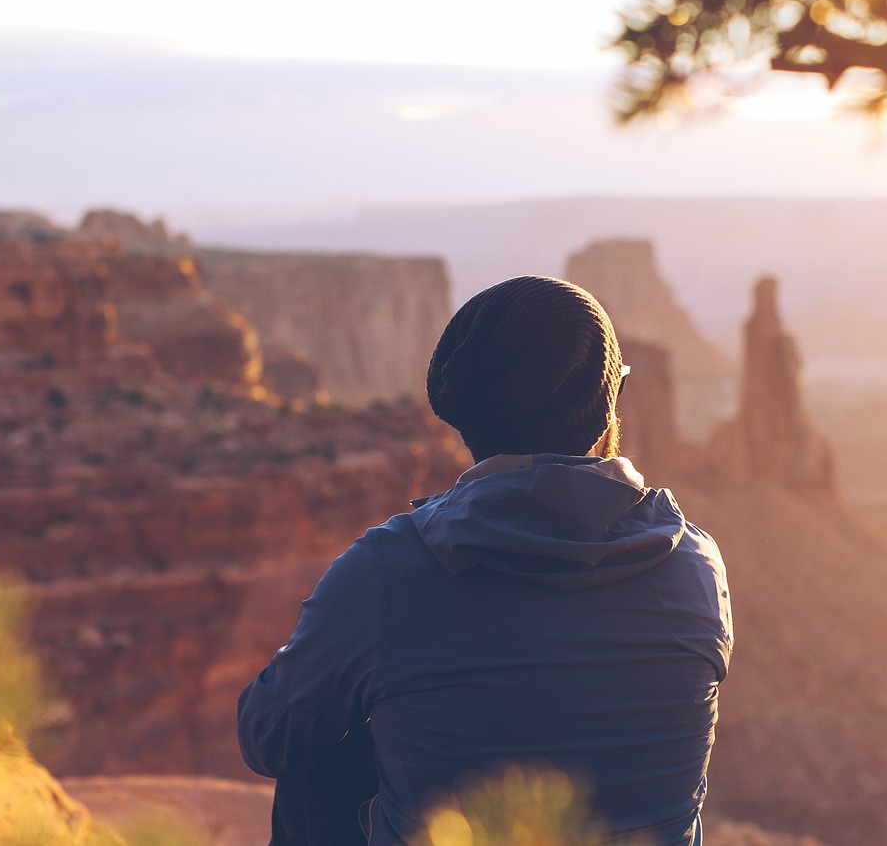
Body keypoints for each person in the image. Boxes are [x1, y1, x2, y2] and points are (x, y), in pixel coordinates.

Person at [238, 274, 733, 845]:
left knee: (325, 756)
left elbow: (267, 737)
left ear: (462, 418)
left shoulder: (387, 570)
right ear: (609, 406)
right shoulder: (694, 564)